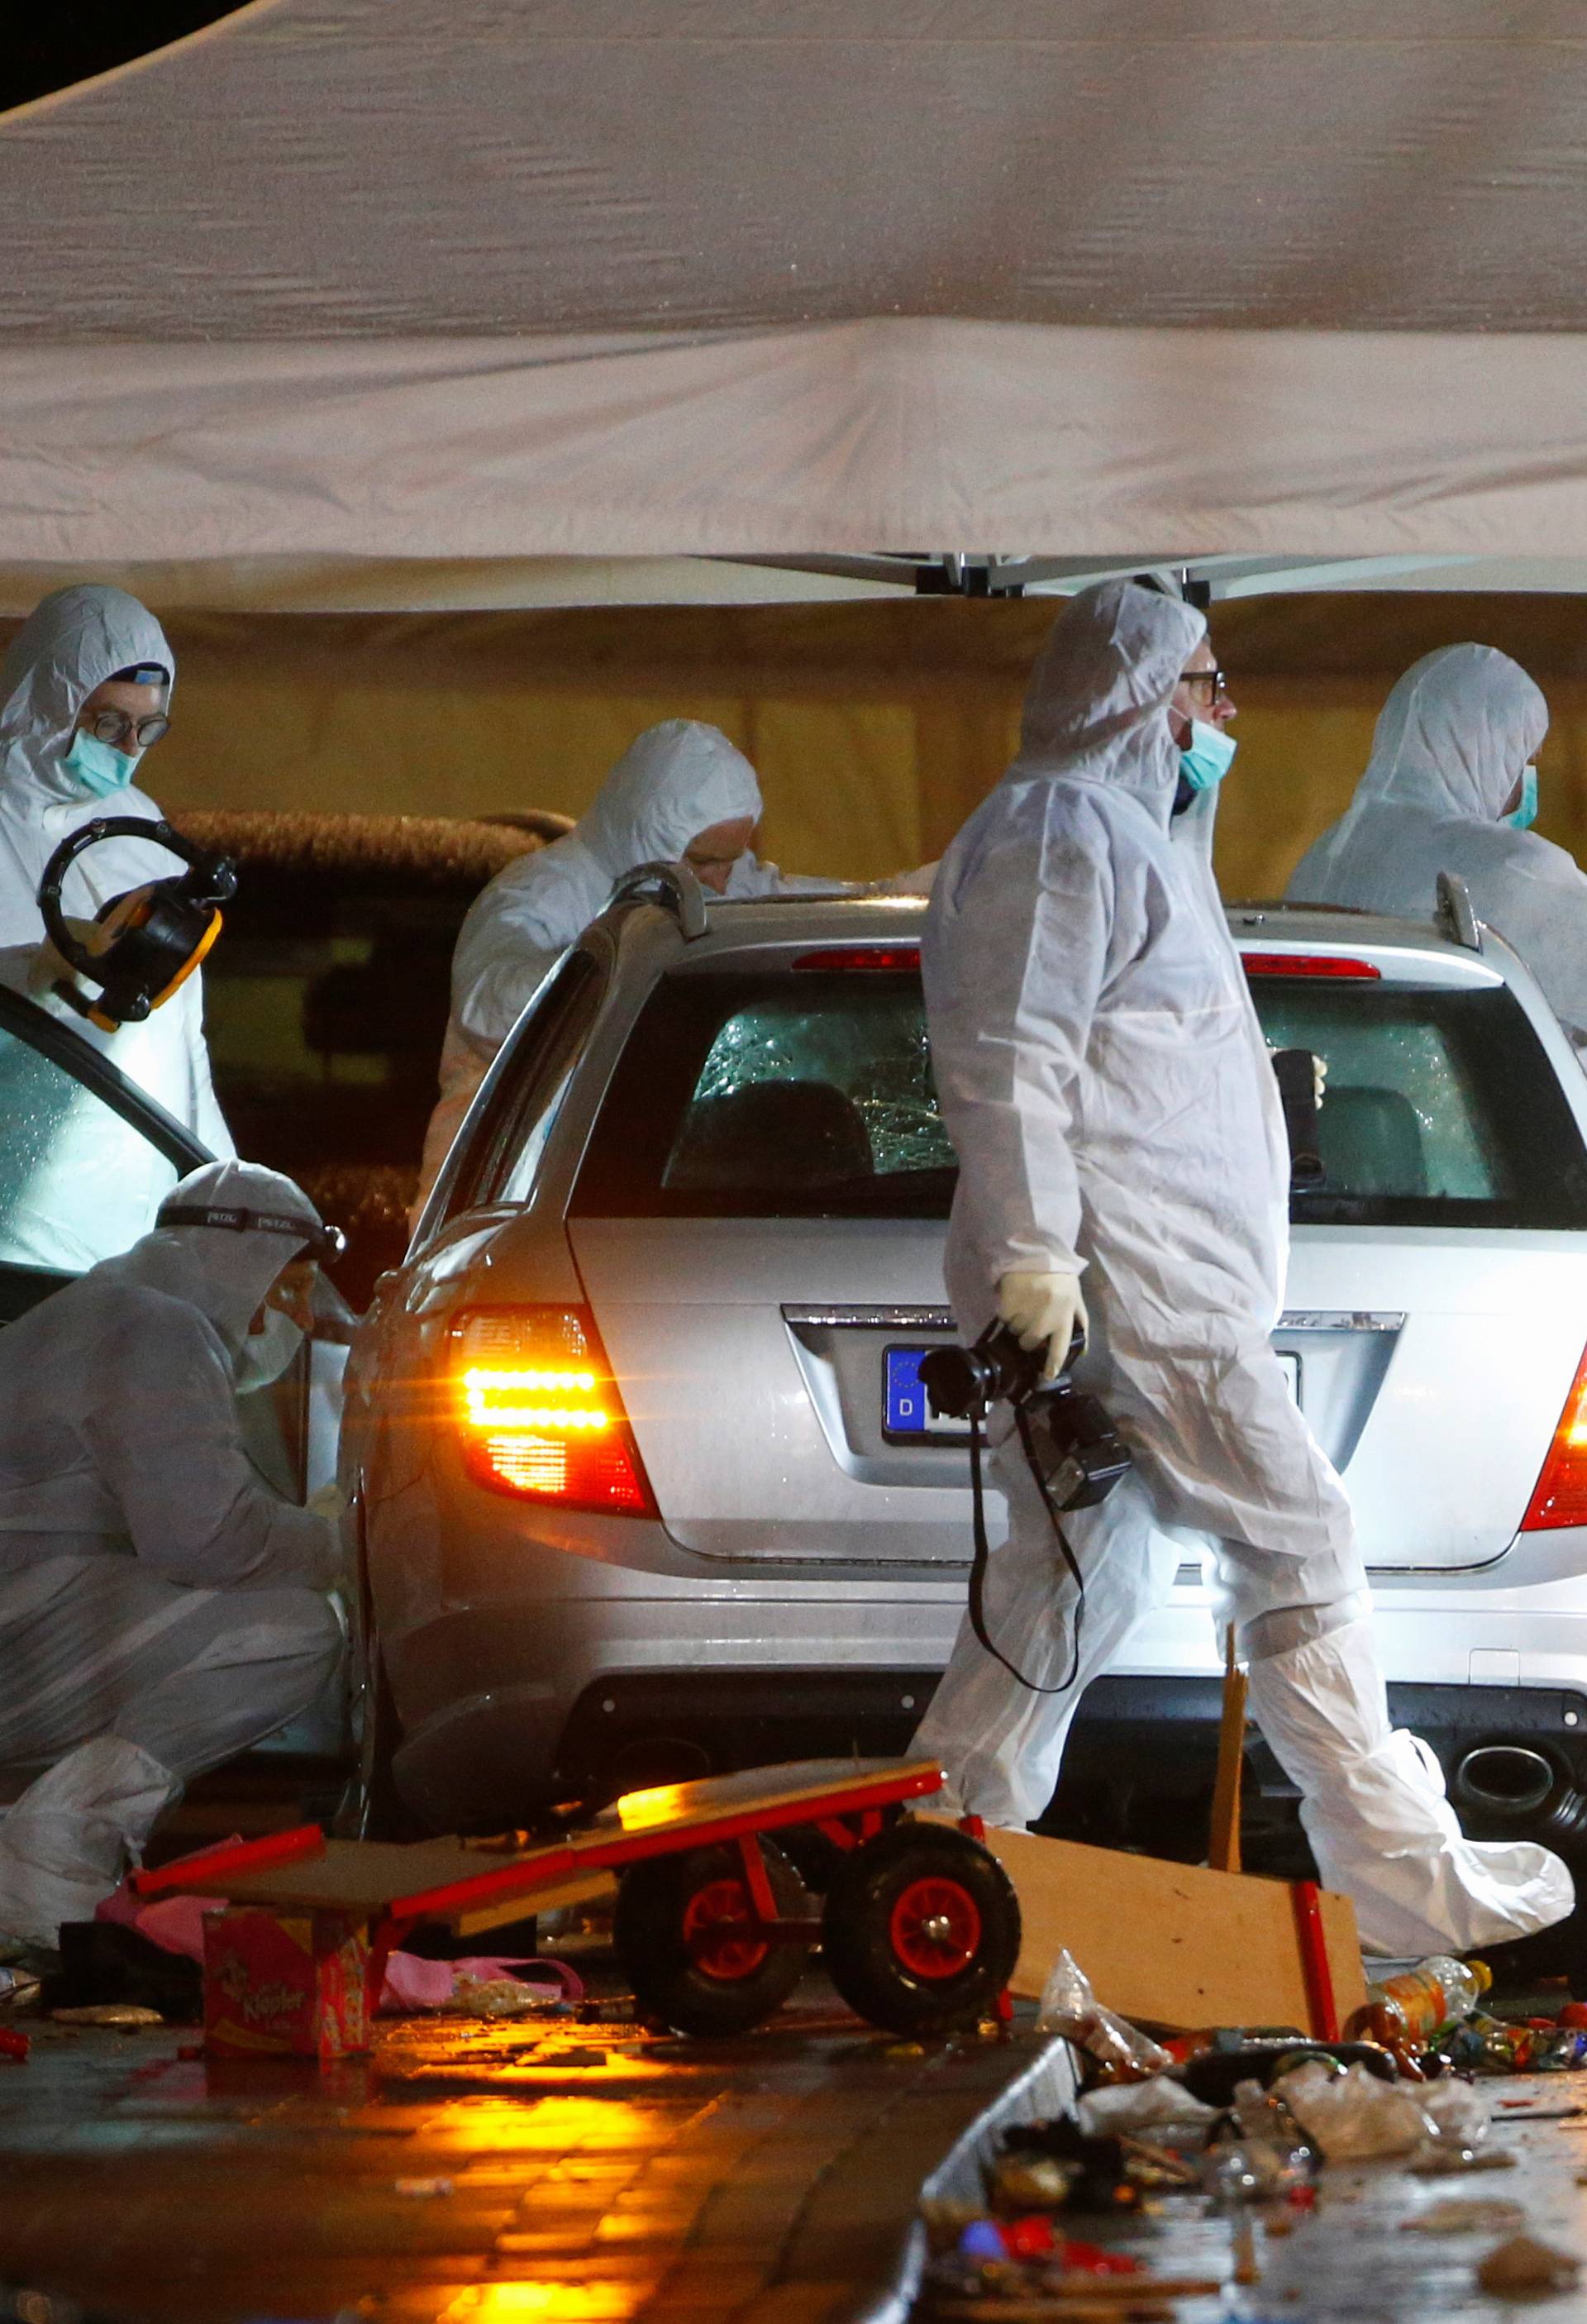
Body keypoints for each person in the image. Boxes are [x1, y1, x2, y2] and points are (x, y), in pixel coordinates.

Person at [911, 579, 1571, 1958]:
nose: (1228, 716)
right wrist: (1037, 1255)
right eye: (1208, 688)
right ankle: (1394, 1870)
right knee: (1300, 1534)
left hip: (1144, 1274)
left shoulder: (1116, 833)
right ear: (1145, 700)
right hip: (1133, 1281)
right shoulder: (1060, 832)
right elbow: (1011, 1054)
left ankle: (948, 1851)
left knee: (1082, 1566)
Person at [0, 1162, 346, 1949]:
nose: (297, 1316)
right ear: (239, 1262)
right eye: (289, 1289)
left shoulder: (92, 1309)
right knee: (293, 1629)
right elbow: (208, 1538)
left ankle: (21, 1848)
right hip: (15, 1638)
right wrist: (339, 1542)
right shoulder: (158, 1328)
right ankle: (57, 1848)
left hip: (21, 1619)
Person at [412, 718, 858, 1217]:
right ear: (648, 838)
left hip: (629, 1207)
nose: (723, 881)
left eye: (734, 858)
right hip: (499, 1216)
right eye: (704, 860)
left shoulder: (714, 881)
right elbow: (487, 1002)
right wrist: (610, 978)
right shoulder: (542, 896)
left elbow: (832, 905)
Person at [0, 583, 232, 1154]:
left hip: (121, 1174)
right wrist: (32, 972)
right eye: (109, 724)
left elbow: (179, 1039)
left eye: (148, 728)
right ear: (49, 702)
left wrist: (218, 1174)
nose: (129, 747)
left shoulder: (141, 828)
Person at [1285, 645, 1587, 1052]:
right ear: (1490, 752)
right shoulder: (1512, 869)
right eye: (1525, 760)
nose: (1524, 783)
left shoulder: (1321, 859)